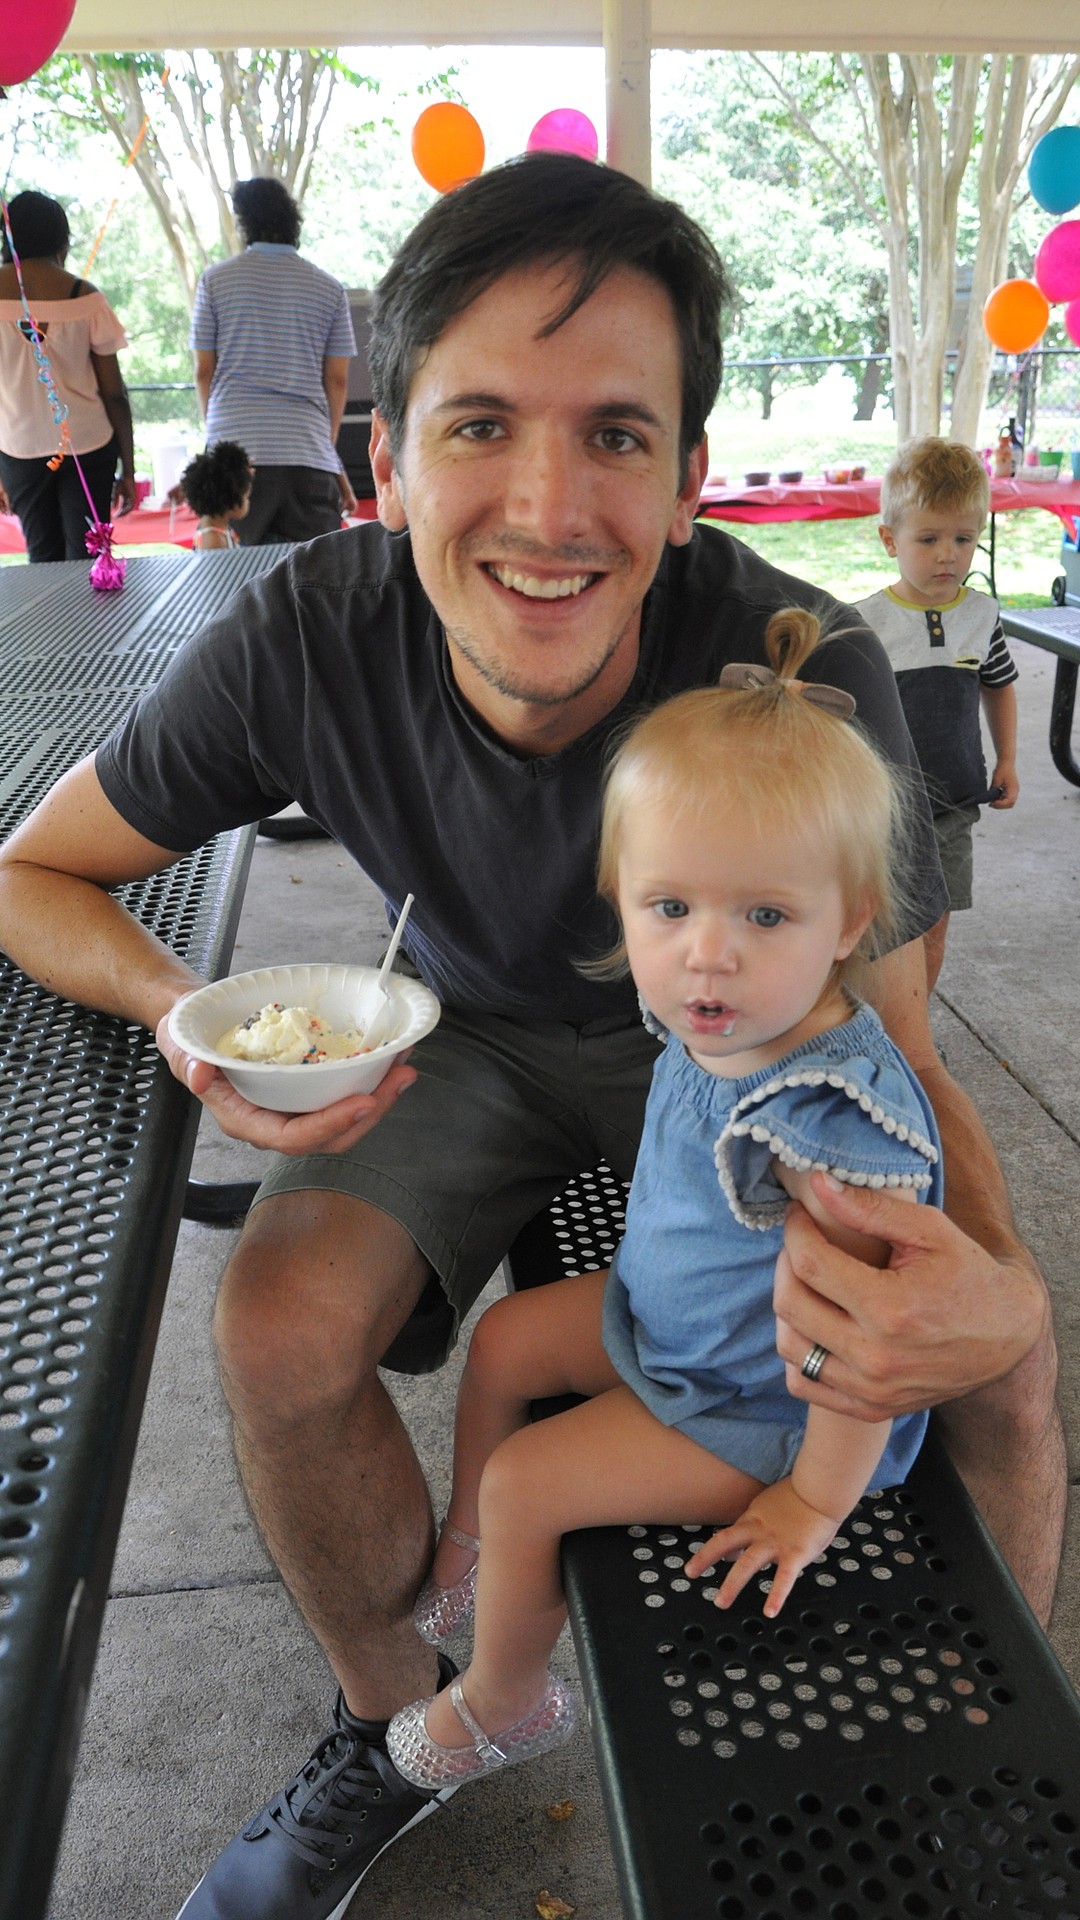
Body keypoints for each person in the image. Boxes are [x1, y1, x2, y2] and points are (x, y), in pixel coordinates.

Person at [0, 155, 1059, 1920]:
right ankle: (400, 1719)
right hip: (468, 1038)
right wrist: (182, 1017)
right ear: (386, 453)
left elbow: (893, 1048)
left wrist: (996, 1297)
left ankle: (984, 1766)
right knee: (273, 1324)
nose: (550, 507)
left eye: (620, 437)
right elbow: (36, 875)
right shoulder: (307, 639)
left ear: (694, 477)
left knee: (995, 1349)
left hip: (735, 1062)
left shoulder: (797, 667)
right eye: (481, 423)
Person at [387, 607, 944, 1786]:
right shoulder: (718, 1011)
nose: (707, 955)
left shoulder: (823, 1129)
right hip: (674, 1325)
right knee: (504, 1341)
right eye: (670, 908)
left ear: (850, 924)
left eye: (766, 916)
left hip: (767, 1409)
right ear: (623, 897)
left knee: (528, 1478)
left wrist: (809, 1502)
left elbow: (864, 1350)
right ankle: (474, 1556)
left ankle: (505, 1699)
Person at [855, 437, 1020, 989]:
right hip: (881, 808)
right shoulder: (865, 622)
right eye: (928, 538)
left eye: (963, 538)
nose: (948, 554)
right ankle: (873, 1023)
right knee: (875, 929)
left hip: (952, 804)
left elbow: (999, 686)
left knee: (933, 930)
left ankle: (915, 1035)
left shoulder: (981, 617)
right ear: (889, 539)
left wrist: (1008, 761)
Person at [190, 176, 358, 545]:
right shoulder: (329, 288)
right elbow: (337, 381)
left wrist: (217, 430)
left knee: (233, 579)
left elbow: (204, 372)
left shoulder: (214, 281)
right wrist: (323, 445)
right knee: (313, 575)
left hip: (234, 454)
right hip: (307, 453)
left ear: (244, 223)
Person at [0, 190, 136, 562]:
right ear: (62, 239)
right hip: (88, 445)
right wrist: (129, 466)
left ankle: (48, 623)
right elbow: (114, 394)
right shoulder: (85, 296)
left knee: (42, 557)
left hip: (19, 449)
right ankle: (91, 623)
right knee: (90, 553)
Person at [179, 439, 254, 550]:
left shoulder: (218, 529)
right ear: (231, 502)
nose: (248, 502)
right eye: (246, 497)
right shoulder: (214, 540)